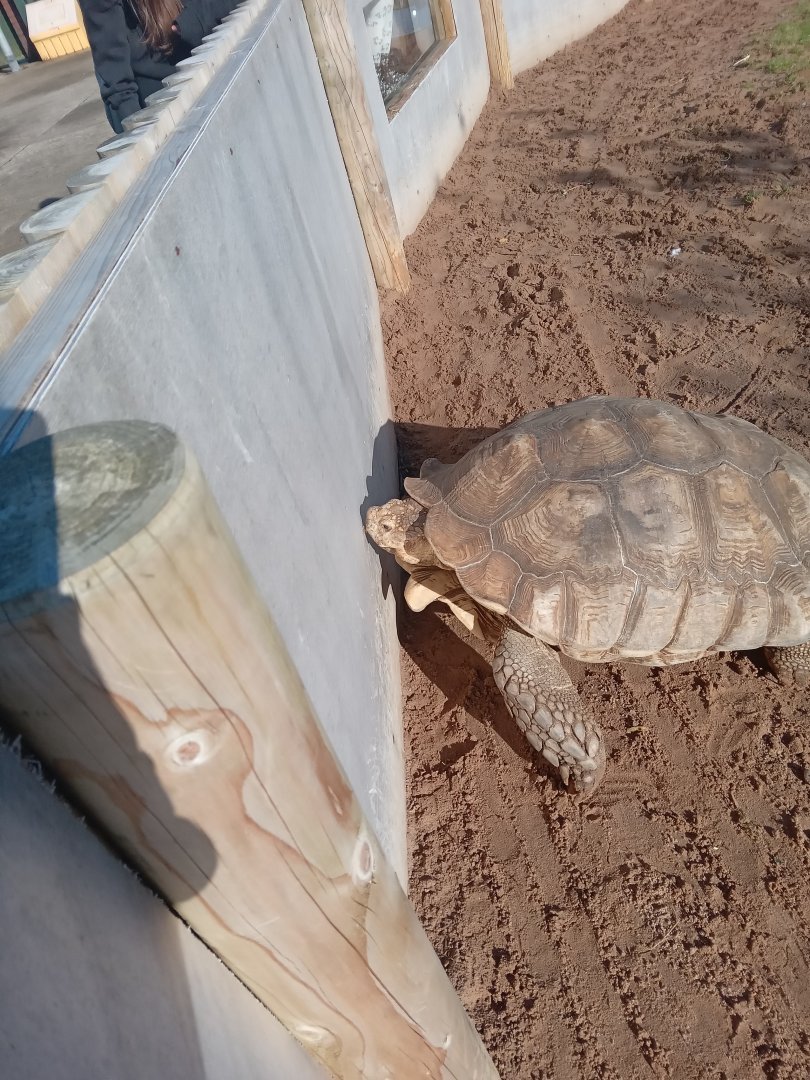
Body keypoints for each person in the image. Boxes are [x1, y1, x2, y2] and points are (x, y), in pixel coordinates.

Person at [78, 0, 235, 133]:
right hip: (167, 111)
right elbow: (118, 86)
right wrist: (141, 138)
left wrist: (187, 23)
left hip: (219, 75)